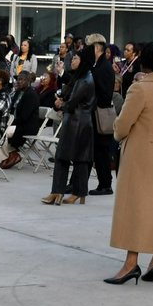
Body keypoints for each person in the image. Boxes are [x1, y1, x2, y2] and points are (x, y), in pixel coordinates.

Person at [105, 42, 153, 285]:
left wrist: (119, 134)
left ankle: (131, 263)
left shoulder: (140, 88)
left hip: (139, 154)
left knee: (135, 208)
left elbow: (122, 125)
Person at [43, 48, 96, 205]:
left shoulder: (86, 79)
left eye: (76, 59)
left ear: (84, 61)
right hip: (77, 121)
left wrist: (61, 104)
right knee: (77, 158)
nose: (72, 61)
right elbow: (69, 95)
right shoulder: (80, 76)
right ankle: (74, 192)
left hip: (77, 122)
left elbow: (72, 103)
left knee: (64, 157)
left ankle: (59, 191)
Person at [88, 33, 116, 196]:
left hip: (100, 114)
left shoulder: (104, 67)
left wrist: (91, 101)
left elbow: (105, 95)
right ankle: (103, 183)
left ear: (97, 47)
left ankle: (105, 184)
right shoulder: (98, 65)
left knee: (101, 153)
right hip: (95, 113)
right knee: (98, 152)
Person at [0, 72, 41, 169]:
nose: (18, 82)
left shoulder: (31, 95)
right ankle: (7, 157)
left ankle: (13, 155)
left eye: (21, 79)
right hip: (16, 123)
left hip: (27, 126)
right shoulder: (18, 92)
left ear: (28, 81)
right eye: (18, 79)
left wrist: (9, 123)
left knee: (2, 132)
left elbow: (24, 117)